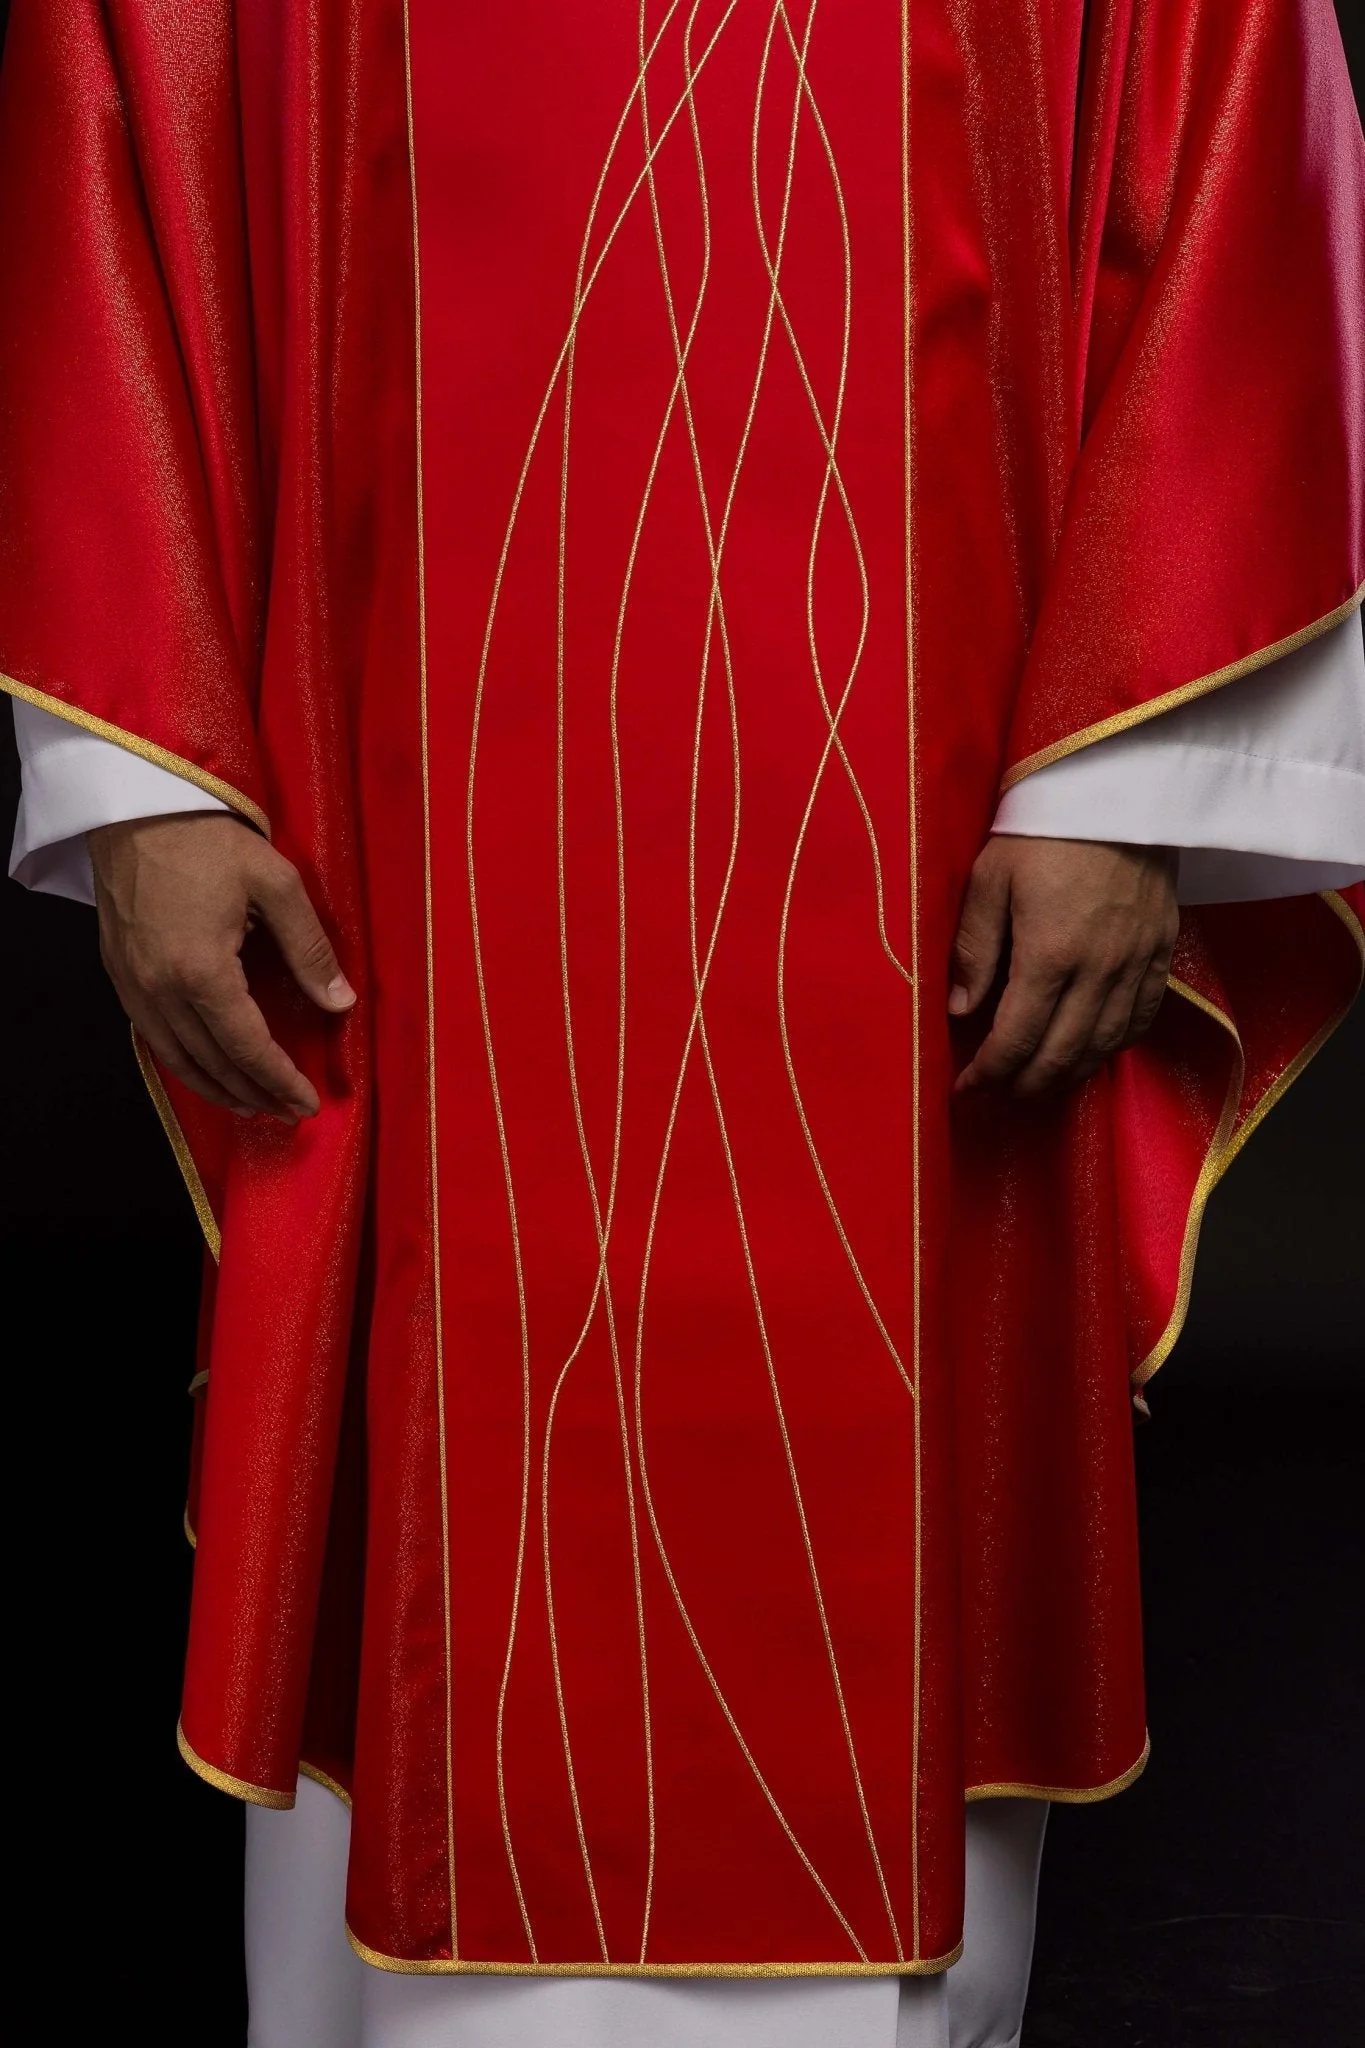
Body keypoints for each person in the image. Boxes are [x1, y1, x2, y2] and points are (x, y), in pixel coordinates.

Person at [3, 3, 1363, 2044]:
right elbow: (100, 110)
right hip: (405, 846)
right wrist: (146, 775)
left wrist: (1121, 776)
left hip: (924, 832)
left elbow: (1235, 113)